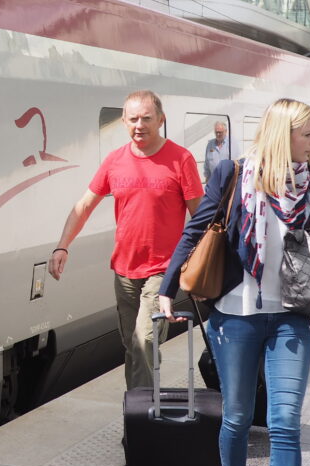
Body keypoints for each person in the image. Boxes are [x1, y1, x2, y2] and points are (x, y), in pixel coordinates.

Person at [158, 98, 310, 466]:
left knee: (284, 422)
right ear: (285, 135)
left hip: (290, 318)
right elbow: (195, 231)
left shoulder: (309, 181)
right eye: (309, 134)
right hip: (233, 318)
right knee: (237, 417)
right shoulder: (232, 174)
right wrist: (168, 289)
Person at [49, 90, 203, 389]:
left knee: (144, 342)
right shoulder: (114, 161)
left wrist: (198, 267)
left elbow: (200, 217)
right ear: (123, 121)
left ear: (161, 119)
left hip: (164, 269)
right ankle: (139, 415)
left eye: (146, 118)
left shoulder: (180, 160)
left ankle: (142, 421)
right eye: (132, 119)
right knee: (133, 347)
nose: (139, 125)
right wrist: (62, 245)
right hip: (124, 272)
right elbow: (84, 206)